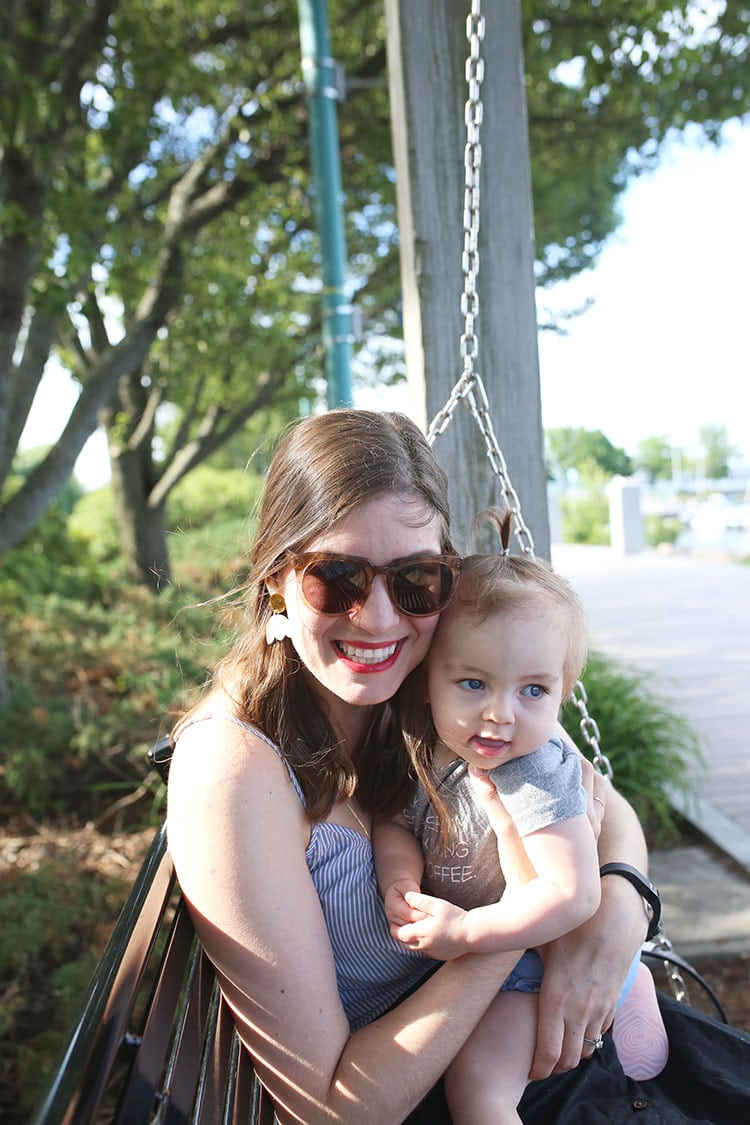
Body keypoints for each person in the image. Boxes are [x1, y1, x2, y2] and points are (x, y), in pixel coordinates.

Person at [164, 409, 667, 1124]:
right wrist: (510, 925)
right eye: (336, 577)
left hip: (525, 1047)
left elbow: (591, 795)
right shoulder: (234, 770)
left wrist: (620, 905)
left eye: (414, 578)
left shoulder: (431, 675)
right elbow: (332, 1111)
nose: (377, 617)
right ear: (277, 576)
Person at [374, 509, 669, 1123]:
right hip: (476, 953)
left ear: (563, 692)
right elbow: (397, 823)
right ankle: (631, 991)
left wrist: (469, 936)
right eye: (474, 683)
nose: (500, 715)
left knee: (478, 1091)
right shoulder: (428, 744)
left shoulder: (533, 770)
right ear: (428, 678)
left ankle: (623, 986)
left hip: (534, 962)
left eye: (533, 691)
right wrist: (397, 878)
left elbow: (572, 894)